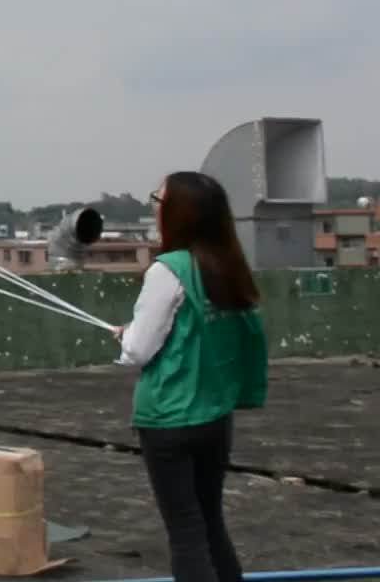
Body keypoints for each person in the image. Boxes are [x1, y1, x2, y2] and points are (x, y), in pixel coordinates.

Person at [114, 171, 267, 582]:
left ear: (178, 213)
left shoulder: (169, 270)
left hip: (169, 418)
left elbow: (139, 350)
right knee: (210, 522)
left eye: (158, 200)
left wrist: (127, 336)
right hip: (215, 416)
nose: (153, 207)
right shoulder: (226, 266)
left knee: (185, 532)